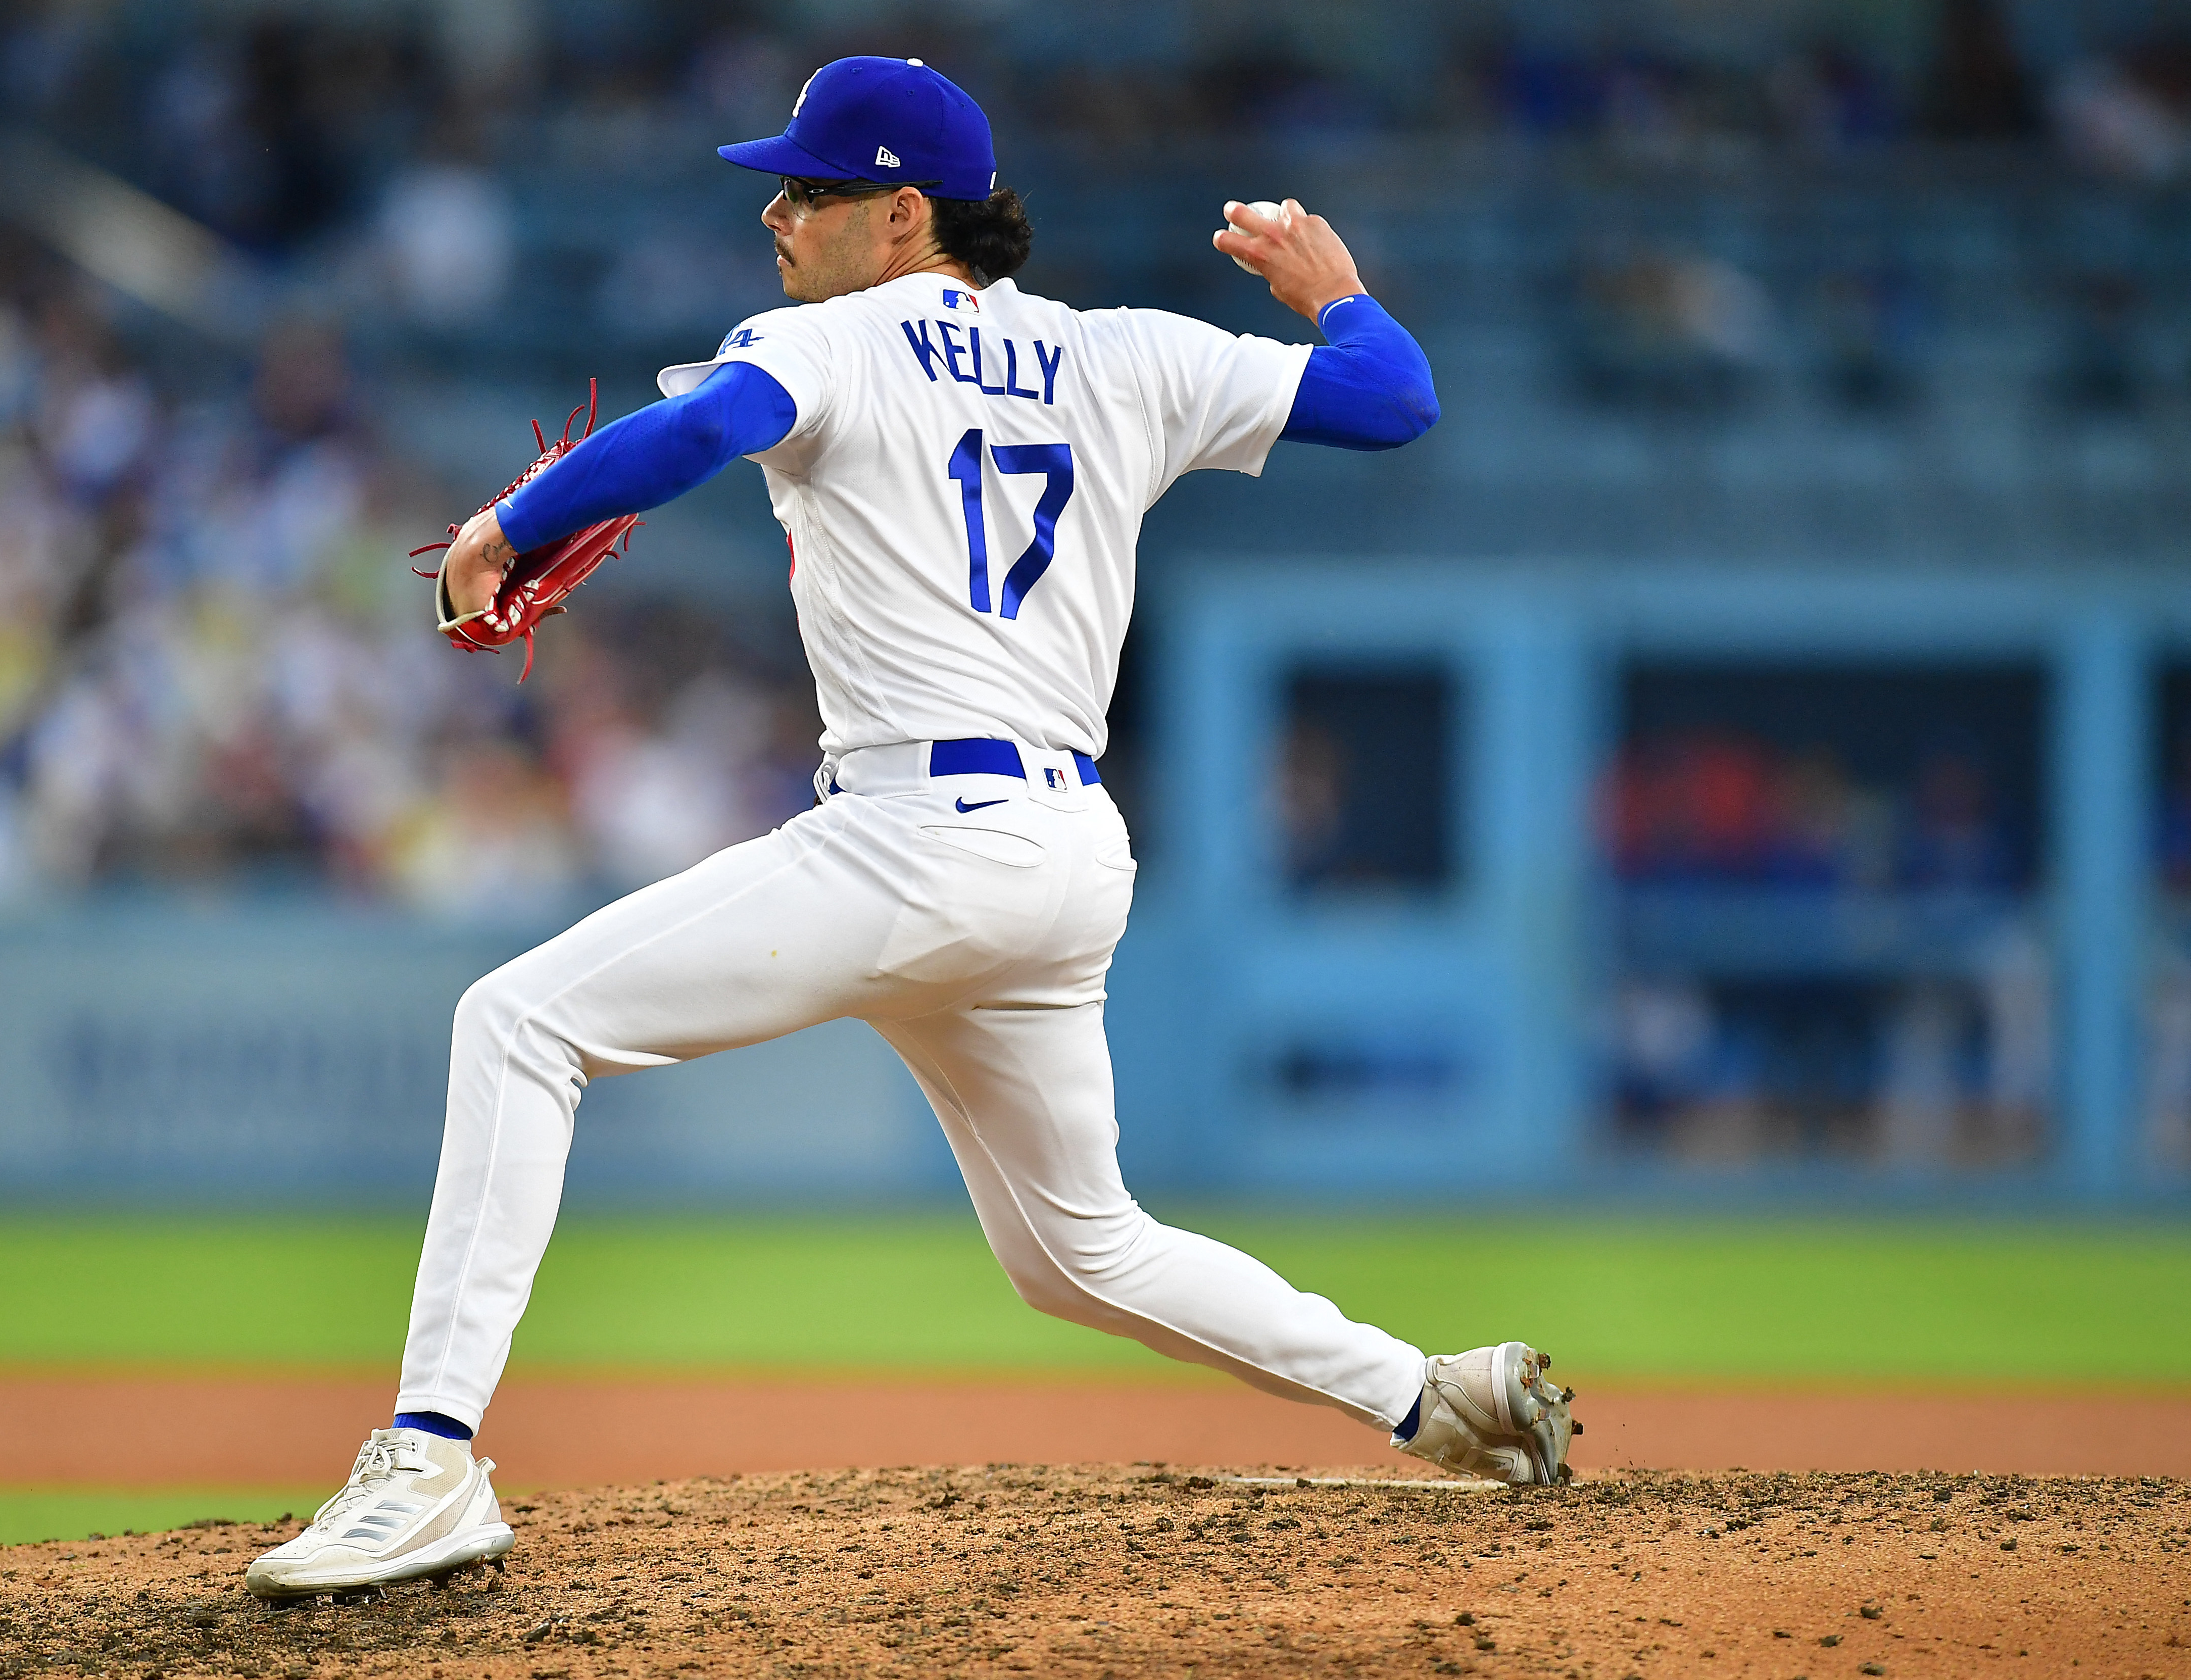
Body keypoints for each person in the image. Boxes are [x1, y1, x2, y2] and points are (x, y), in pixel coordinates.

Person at [246, 56, 1572, 1601]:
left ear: (899, 215)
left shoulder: (829, 342)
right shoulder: (1121, 353)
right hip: (1070, 857)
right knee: (1079, 1251)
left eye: (807, 190)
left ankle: (428, 1460)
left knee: (515, 1023)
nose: (777, 213)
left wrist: (505, 525)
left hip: (915, 834)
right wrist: (1338, 288)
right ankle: (1437, 1397)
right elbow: (1396, 400)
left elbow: (694, 436)